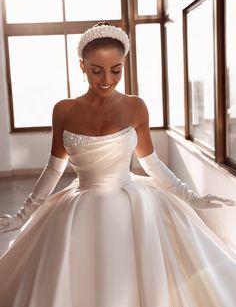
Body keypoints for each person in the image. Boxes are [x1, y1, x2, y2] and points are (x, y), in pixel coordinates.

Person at [0, 22, 236, 307]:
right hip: (80, 207)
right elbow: (54, 169)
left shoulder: (136, 107)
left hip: (132, 205)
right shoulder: (64, 110)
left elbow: (151, 164)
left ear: (124, 64)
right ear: (82, 66)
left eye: (116, 69)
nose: (106, 79)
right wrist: (23, 215)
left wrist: (192, 198)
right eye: (96, 70)